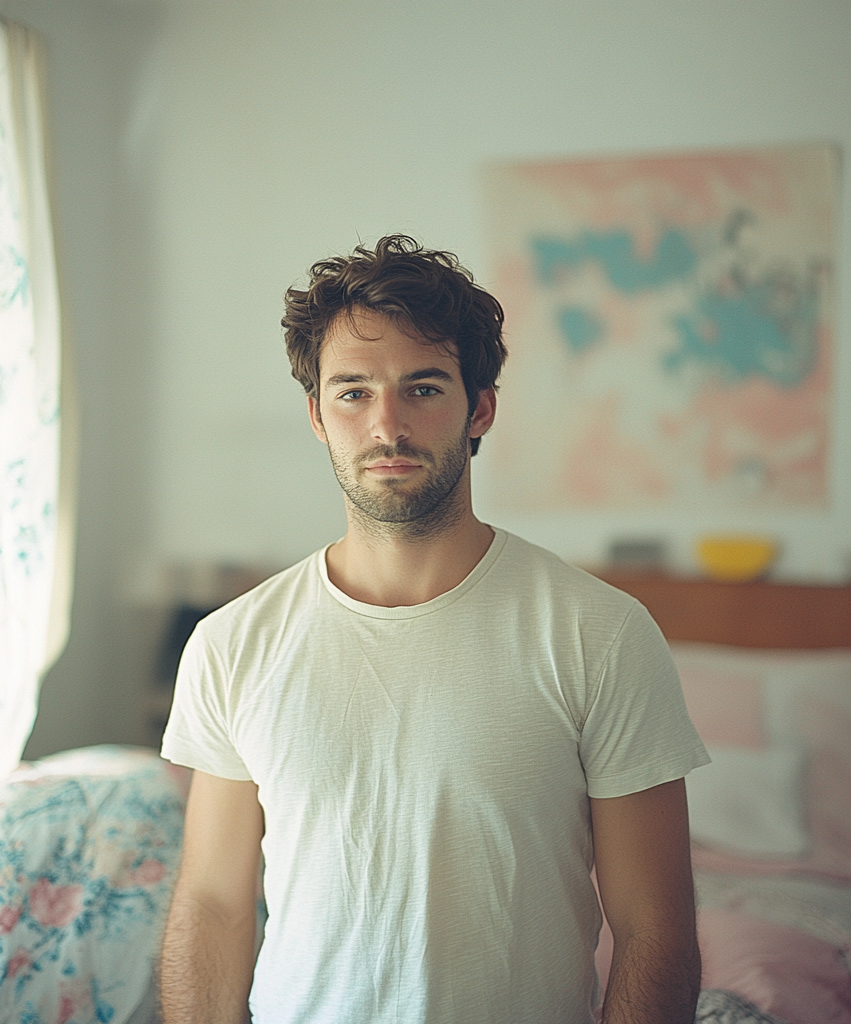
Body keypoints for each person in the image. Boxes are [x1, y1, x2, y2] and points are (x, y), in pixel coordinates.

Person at [159, 235, 710, 1024]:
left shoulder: (601, 634)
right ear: (317, 415)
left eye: (422, 388)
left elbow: (655, 930)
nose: (387, 426)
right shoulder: (231, 644)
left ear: (479, 406)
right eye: (353, 392)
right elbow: (212, 905)